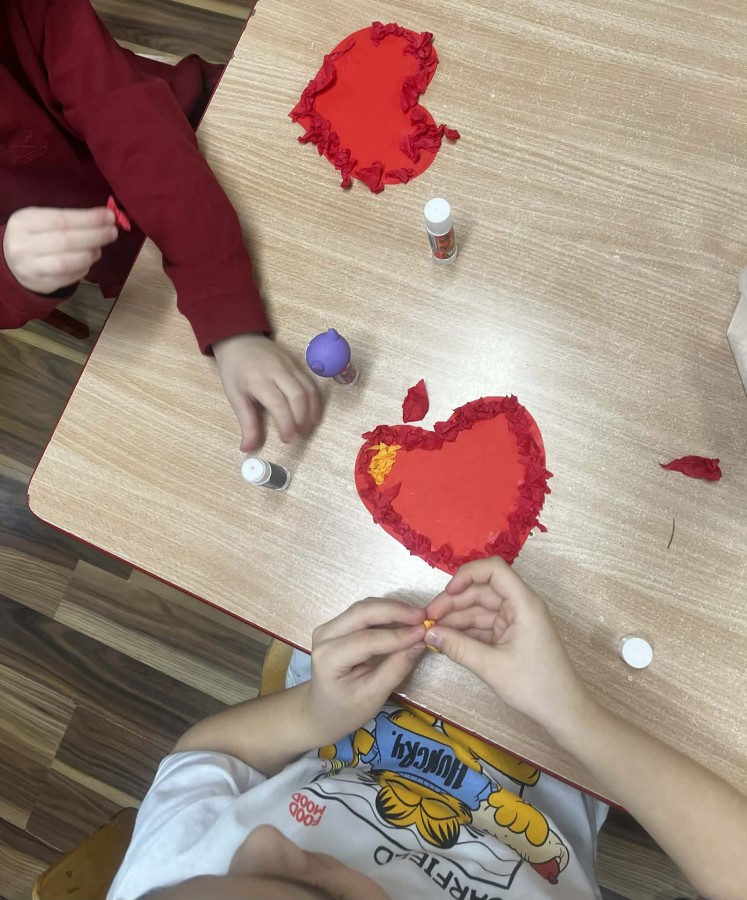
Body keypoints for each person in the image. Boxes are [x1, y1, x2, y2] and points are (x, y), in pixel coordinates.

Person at [107, 558, 747, 900]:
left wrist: (313, 714)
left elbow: (202, 760)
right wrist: (570, 711)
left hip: (355, 694)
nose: (264, 840)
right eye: (307, 883)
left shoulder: (160, 882)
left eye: (216, 877)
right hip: (577, 756)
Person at [1, 0, 320, 450]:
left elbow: (133, 127)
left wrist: (225, 310)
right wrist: (10, 274)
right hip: (133, 261)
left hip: (199, 131)